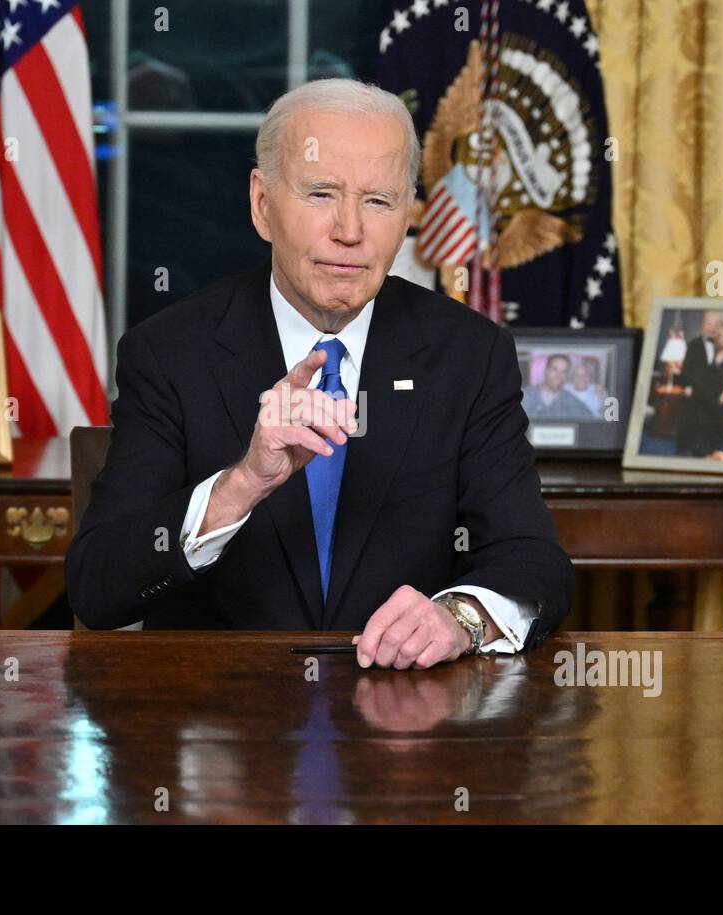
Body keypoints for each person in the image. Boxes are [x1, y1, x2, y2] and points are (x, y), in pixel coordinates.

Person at [66, 79, 573, 669]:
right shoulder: (169, 354)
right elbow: (98, 588)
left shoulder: (470, 355)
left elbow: (535, 562)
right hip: (220, 720)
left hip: (407, 727)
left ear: (408, 213)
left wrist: (459, 618)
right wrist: (243, 483)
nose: (350, 231)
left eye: (378, 201)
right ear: (262, 205)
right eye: (321, 194)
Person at [674, 311, 723, 456]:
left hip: (712, 391)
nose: (711, 328)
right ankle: (683, 449)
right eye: (708, 324)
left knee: (709, 421)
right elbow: (687, 368)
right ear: (703, 325)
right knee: (690, 419)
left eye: (715, 325)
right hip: (695, 389)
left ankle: (705, 449)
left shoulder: (719, 346)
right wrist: (687, 386)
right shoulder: (693, 344)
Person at [521, 353, 594, 419]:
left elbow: (590, 422)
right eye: (554, 369)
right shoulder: (524, 397)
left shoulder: (573, 402)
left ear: (567, 375)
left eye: (563, 371)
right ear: (546, 370)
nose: (558, 375)